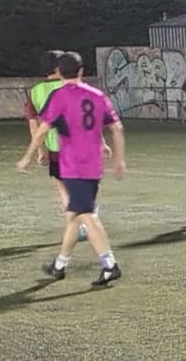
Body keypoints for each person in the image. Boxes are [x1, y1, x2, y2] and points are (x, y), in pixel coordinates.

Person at [19, 51, 126, 286]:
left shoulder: (59, 97)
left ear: (59, 72)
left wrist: (28, 156)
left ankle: (110, 265)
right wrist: (119, 159)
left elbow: (42, 129)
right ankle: (59, 265)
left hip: (73, 166)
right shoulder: (97, 95)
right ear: (81, 71)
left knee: (86, 216)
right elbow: (116, 127)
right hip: (93, 166)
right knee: (75, 215)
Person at [18, 50, 69, 210]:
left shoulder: (36, 91)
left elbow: (34, 124)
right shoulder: (71, 85)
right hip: (80, 144)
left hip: (55, 147)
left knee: (61, 186)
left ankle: (76, 216)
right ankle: (85, 213)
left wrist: (40, 151)